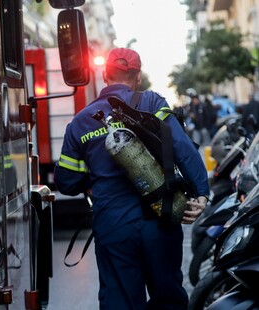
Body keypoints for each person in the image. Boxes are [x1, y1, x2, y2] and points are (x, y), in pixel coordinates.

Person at [54, 47, 209, 309]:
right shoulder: (152, 103)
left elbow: (66, 182)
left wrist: (93, 182)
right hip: (159, 216)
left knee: (120, 301)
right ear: (137, 76)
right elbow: (181, 147)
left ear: (105, 75)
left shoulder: (80, 122)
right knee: (168, 299)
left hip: (112, 223)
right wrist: (202, 191)